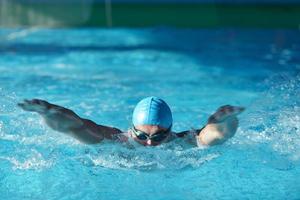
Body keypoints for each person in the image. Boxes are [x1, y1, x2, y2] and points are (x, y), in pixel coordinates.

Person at [17, 96, 245, 147]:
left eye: (158, 136)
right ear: (132, 128)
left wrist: (222, 120)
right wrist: (48, 111)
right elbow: (74, 125)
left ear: (170, 130)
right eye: (142, 135)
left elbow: (216, 134)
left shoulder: (182, 142)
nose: (149, 143)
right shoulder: (118, 140)